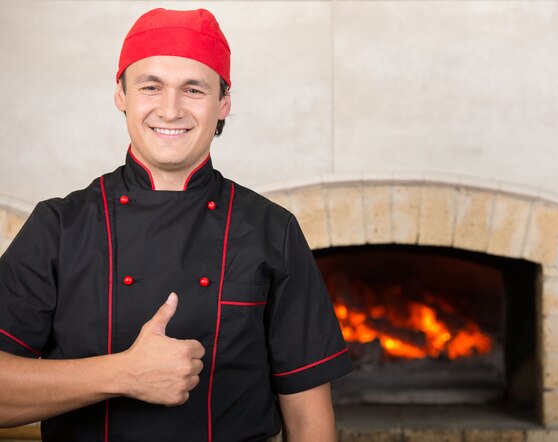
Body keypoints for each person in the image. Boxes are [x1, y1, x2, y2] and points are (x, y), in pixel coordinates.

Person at [0, 8, 351, 441]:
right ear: (121, 95)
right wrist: (124, 374)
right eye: (151, 86)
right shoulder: (59, 227)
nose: (170, 109)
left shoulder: (271, 232)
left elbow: (308, 421)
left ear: (223, 103)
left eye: (193, 89)